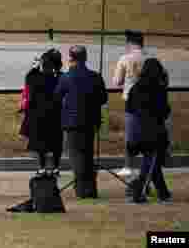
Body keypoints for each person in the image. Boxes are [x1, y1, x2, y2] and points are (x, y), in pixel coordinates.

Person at [54, 45, 108, 199]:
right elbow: (103, 98)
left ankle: (82, 190)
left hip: (72, 123)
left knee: (76, 157)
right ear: (85, 58)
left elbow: (57, 97)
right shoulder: (96, 76)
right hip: (91, 121)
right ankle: (91, 189)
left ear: (71, 58)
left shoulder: (66, 77)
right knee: (88, 156)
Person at [126, 58, 172, 203]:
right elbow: (164, 112)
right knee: (150, 162)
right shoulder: (159, 89)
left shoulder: (135, 88)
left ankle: (163, 192)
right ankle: (138, 192)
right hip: (154, 132)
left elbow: (129, 111)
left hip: (137, 130)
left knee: (153, 163)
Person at [23, 49, 63, 175]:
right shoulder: (61, 78)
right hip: (56, 116)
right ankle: (56, 167)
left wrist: (34, 67)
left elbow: (28, 77)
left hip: (39, 117)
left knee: (40, 145)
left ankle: (41, 167)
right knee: (57, 143)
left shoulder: (35, 78)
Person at [112, 30, 145, 177]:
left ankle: (128, 165)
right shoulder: (149, 58)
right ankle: (146, 163)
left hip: (131, 102)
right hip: (150, 102)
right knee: (147, 132)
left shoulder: (125, 58)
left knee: (130, 134)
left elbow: (117, 81)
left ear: (130, 43)